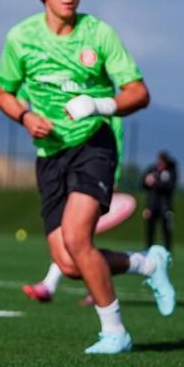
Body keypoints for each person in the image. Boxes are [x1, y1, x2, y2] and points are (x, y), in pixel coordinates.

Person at [0, 0, 174, 355]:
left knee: (78, 238)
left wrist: (99, 105)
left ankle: (115, 332)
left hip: (93, 145)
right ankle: (147, 264)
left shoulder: (99, 35)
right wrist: (24, 116)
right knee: (71, 263)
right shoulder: (20, 38)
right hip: (50, 154)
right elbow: (3, 92)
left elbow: (139, 93)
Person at [22, 118, 137, 304]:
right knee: (70, 251)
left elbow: (117, 134)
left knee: (77, 238)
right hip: (57, 163)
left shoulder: (102, 101)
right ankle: (138, 265)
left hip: (92, 162)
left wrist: (112, 174)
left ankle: (99, 300)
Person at [142, 150, 178, 251]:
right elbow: (143, 184)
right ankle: (148, 250)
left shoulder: (171, 171)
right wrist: (146, 181)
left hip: (165, 206)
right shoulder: (152, 169)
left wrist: (157, 182)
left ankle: (167, 250)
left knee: (166, 229)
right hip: (152, 205)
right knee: (150, 230)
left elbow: (170, 186)